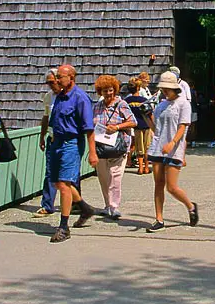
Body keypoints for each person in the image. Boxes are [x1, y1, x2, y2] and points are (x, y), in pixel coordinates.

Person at [48, 64, 97, 243]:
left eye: (60, 77)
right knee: (56, 181)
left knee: (64, 183)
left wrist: (92, 153)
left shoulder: (80, 98)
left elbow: (89, 128)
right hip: (57, 142)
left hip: (72, 143)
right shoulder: (60, 97)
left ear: (71, 78)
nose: (57, 80)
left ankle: (64, 226)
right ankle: (84, 208)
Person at [145, 71, 199, 232]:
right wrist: (147, 116)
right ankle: (159, 219)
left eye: (167, 88)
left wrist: (173, 143)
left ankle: (190, 206)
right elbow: (156, 128)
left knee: (172, 187)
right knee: (158, 184)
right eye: (163, 88)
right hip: (157, 147)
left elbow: (183, 126)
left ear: (175, 88)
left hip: (173, 148)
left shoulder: (183, 104)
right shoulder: (161, 105)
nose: (164, 91)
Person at [92, 75, 137, 219]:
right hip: (101, 147)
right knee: (103, 178)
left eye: (110, 90)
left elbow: (133, 122)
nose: (108, 93)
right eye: (105, 91)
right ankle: (107, 205)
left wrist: (117, 127)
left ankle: (114, 206)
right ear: (100, 92)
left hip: (118, 147)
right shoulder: (97, 106)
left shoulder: (121, 104)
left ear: (115, 90)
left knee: (115, 177)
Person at [34, 69, 62, 218]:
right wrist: (42, 136)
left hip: (67, 140)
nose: (50, 85)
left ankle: (75, 203)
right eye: (48, 83)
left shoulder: (69, 96)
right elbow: (45, 117)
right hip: (52, 139)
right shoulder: (48, 97)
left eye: (52, 82)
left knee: (70, 175)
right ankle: (47, 204)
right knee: (50, 172)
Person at [126, 77, 152, 174]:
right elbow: (149, 113)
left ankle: (140, 167)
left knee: (139, 147)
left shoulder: (127, 101)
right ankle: (146, 167)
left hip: (136, 126)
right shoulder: (144, 100)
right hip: (146, 125)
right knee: (147, 147)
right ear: (138, 88)